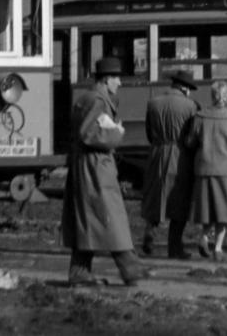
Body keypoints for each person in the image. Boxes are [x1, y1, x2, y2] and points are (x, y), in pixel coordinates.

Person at [63, 56, 148, 286]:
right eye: (117, 78)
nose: (119, 83)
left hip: (88, 166)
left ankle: (80, 272)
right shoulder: (98, 101)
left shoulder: (88, 98)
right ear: (106, 79)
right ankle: (130, 268)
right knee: (110, 218)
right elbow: (89, 134)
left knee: (88, 220)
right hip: (96, 167)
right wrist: (116, 134)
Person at [182, 79, 227, 262]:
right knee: (224, 211)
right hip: (226, 170)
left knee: (207, 209)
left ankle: (203, 236)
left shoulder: (200, 117)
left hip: (204, 168)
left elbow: (190, 142)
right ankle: (218, 248)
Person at [140, 71, 198, 259]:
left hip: (157, 153)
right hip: (179, 155)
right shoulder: (191, 106)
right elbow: (192, 136)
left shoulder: (153, 103)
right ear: (184, 88)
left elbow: (149, 134)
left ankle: (150, 230)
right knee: (178, 200)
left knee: (156, 195)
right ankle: (175, 247)